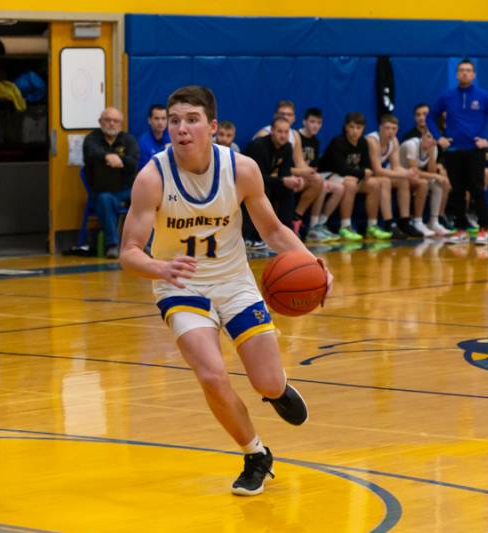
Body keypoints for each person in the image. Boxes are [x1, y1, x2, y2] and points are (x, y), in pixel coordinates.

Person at [119, 85, 332, 496]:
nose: (181, 128)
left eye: (191, 120)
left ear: (213, 127)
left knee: (266, 382)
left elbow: (272, 229)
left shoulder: (241, 170)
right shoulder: (152, 177)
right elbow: (128, 252)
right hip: (180, 287)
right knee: (212, 375)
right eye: (175, 120)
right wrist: (158, 266)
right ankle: (255, 453)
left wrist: (312, 264)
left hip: (235, 282)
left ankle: (278, 389)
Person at [427, 58, 488, 245]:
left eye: (468, 70)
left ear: (474, 74)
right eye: (461, 70)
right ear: (456, 74)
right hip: (454, 151)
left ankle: (483, 229)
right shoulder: (447, 96)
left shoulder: (484, 96)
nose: (464, 73)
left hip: (474, 152)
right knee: (457, 192)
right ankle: (461, 229)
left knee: (477, 189)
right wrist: (439, 138)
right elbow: (431, 116)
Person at [318, 112, 392, 241]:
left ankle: (372, 226)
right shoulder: (338, 142)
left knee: (374, 184)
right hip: (327, 174)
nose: (355, 131)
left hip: (349, 176)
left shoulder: (363, 142)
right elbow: (340, 168)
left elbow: (367, 167)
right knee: (350, 184)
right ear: (346, 127)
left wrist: (362, 173)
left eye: (359, 128)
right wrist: (362, 173)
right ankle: (345, 227)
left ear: (363, 129)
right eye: (352, 127)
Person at [254, 101, 323, 235]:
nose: (286, 117)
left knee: (317, 180)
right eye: (282, 114)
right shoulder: (263, 136)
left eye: (289, 114)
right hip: (264, 177)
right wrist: (297, 174)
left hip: (280, 176)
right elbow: (265, 171)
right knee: (275, 187)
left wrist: (307, 172)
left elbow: (298, 163)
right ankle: (261, 233)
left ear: (294, 117)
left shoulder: (293, 136)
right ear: (275, 117)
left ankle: (295, 219)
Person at [82, 107, 140, 258]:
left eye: (116, 121)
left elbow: (133, 163)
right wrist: (107, 157)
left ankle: (143, 244)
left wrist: (119, 159)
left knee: (147, 199)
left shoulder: (128, 140)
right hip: (102, 191)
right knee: (104, 200)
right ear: (100, 122)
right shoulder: (91, 139)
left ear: (121, 124)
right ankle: (113, 244)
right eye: (107, 120)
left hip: (126, 190)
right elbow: (91, 153)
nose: (111, 124)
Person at [242, 116, 301, 249]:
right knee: (263, 190)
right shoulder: (259, 146)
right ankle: (252, 237)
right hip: (245, 184)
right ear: (272, 131)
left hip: (266, 181)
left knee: (287, 189)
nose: (283, 135)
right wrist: (283, 180)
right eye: (280, 131)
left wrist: (293, 181)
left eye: (286, 132)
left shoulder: (287, 147)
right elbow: (256, 178)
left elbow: (285, 175)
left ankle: (286, 234)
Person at [365, 114, 428, 238]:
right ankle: (389, 224)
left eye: (394, 129)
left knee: (403, 180)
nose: (390, 132)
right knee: (386, 181)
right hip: (364, 174)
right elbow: (378, 170)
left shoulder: (394, 141)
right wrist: (405, 173)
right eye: (387, 128)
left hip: (374, 175)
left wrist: (408, 173)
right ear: (380, 128)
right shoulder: (372, 140)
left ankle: (404, 222)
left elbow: (396, 166)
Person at [299, 108, 344, 242]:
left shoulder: (316, 141)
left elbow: (314, 167)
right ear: (304, 122)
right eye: (312, 122)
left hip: (311, 176)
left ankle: (320, 224)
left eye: (319, 123)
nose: (315, 125)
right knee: (321, 185)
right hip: (297, 176)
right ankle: (312, 228)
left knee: (340, 188)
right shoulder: (296, 136)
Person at [399, 131, 452, 235]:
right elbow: (414, 170)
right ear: (422, 136)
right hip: (399, 175)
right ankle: (417, 222)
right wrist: (436, 176)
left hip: (412, 177)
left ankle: (434, 221)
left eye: (434, 138)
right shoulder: (411, 145)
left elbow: (431, 171)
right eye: (428, 136)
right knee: (424, 183)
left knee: (438, 184)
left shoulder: (434, 148)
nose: (431, 140)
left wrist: (432, 154)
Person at [137, 104, 170, 169]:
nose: (160, 122)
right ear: (149, 120)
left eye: (163, 118)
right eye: (156, 118)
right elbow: (144, 168)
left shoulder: (173, 138)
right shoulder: (143, 142)